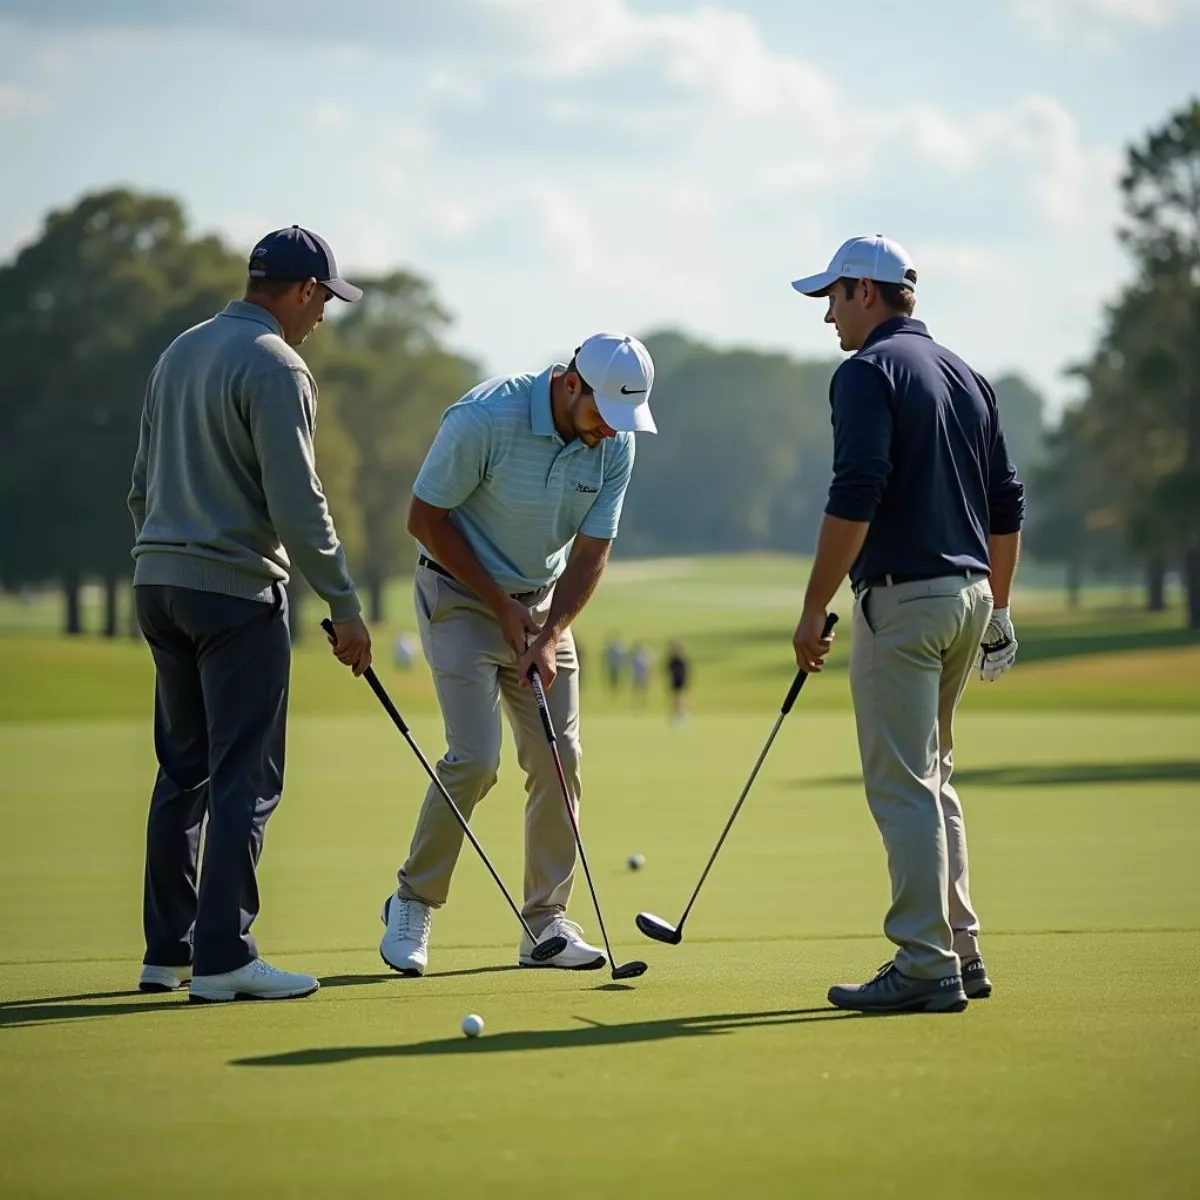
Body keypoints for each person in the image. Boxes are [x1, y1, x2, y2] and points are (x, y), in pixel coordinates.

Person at [127, 225, 373, 1004]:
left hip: (158, 585)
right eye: (325, 300)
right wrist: (344, 603)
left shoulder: (180, 352)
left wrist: (167, 553)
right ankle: (226, 954)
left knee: (184, 770)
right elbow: (298, 506)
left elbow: (140, 483)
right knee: (244, 777)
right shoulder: (276, 365)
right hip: (235, 594)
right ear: (301, 291)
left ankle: (167, 953)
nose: (325, 317)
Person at [789, 235, 1024, 1015]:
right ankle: (960, 947)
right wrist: (1002, 606)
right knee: (935, 774)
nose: (826, 315)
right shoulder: (966, 373)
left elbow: (857, 487)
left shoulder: (865, 373)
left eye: (832, 297)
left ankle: (924, 962)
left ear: (866, 291)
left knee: (902, 785)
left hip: (906, 599)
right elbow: (1006, 502)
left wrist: (814, 603)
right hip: (969, 599)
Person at [379, 332, 657, 975]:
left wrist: (551, 628)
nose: (610, 433)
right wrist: (501, 607)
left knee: (561, 758)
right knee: (476, 759)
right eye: (601, 415)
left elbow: (592, 550)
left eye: (621, 422)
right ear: (569, 384)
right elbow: (424, 519)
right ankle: (412, 900)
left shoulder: (615, 444)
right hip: (458, 595)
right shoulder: (485, 418)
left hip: (541, 607)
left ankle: (545, 925)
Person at [666, 642, 690, 723]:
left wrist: (687, 682)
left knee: (681, 699)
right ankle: (675, 715)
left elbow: (687, 671)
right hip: (674, 681)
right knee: (674, 699)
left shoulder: (682, 660)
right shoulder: (671, 661)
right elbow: (667, 672)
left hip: (681, 681)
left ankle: (681, 715)